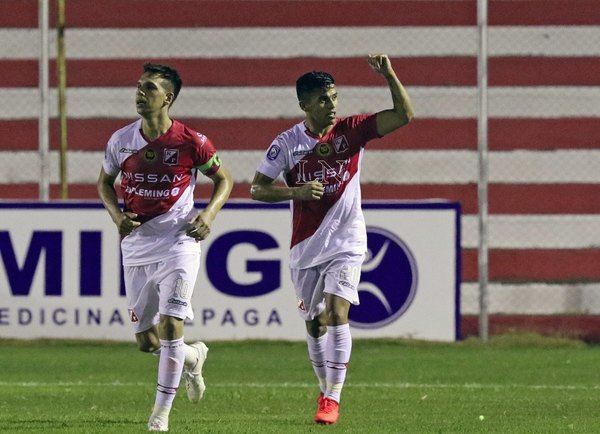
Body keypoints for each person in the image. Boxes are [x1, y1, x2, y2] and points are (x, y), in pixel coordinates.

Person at [250, 54, 414, 425]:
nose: (332, 105)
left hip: (347, 239)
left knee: (338, 312)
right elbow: (257, 189)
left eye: (335, 97)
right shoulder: (287, 143)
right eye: (323, 99)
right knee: (314, 322)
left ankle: (332, 399)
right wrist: (296, 192)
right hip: (306, 245)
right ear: (304, 104)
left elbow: (403, 115)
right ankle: (326, 390)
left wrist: (389, 74)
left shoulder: (352, 130)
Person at [97, 63, 233, 432]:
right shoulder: (121, 140)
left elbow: (224, 179)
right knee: (146, 341)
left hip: (179, 241)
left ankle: (160, 417)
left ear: (167, 98)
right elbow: (104, 183)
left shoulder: (191, 141)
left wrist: (209, 213)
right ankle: (193, 357)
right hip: (137, 246)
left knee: (172, 323)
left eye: (150, 88)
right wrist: (115, 216)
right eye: (139, 87)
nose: (140, 93)